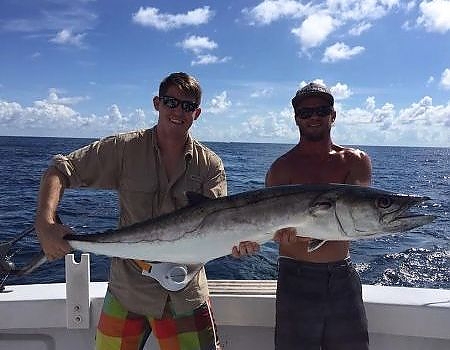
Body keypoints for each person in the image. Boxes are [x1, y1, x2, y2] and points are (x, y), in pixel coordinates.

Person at [35, 72, 226, 350]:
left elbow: (220, 226)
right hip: (127, 289)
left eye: (186, 106)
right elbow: (61, 169)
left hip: (185, 291)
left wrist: (242, 242)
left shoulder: (210, 166)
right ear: (156, 103)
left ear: (196, 113)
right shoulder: (124, 149)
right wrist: (45, 223)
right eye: (171, 102)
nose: (177, 111)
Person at [233, 82, 372, 350]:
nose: (314, 117)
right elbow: (272, 229)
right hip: (295, 278)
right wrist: (255, 240)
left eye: (321, 110)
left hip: (342, 276)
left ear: (333, 114)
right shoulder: (281, 168)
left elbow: (355, 220)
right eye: (305, 112)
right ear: (296, 119)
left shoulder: (356, 161)